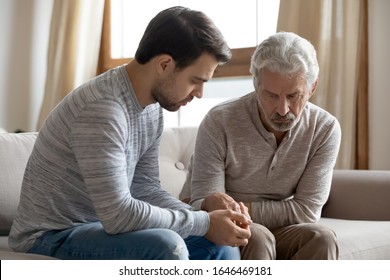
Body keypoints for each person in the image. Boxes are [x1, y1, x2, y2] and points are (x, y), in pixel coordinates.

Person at [8, 6, 252, 260]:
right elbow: (118, 215)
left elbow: (144, 188)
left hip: (102, 229)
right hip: (53, 235)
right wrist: (203, 222)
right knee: (167, 245)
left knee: (221, 244)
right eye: (195, 80)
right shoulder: (103, 109)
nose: (200, 93)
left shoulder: (151, 110)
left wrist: (213, 223)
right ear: (165, 64)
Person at [180, 32, 341, 260]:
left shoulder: (324, 128)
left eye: (294, 96)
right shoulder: (219, 121)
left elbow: (307, 211)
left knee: (322, 237)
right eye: (271, 95)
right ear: (256, 84)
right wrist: (235, 213)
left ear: (312, 87)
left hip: (270, 225)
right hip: (225, 227)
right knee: (258, 235)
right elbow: (208, 203)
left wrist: (241, 208)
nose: (283, 109)